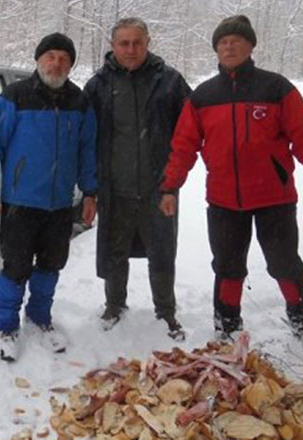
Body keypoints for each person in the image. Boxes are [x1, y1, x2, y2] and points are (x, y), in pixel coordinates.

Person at [158, 15, 303, 340]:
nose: (229, 46)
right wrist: (170, 187)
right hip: (223, 200)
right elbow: (184, 146)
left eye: (236, 41)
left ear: (250, 46)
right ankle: (227, 328)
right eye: (223, 42)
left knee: (284, 263)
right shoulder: (203, 96)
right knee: (228, 267)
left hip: (274, 197)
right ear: (216, 50)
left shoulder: (276, 88)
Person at [0, 32, 98, 362]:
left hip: (60, 204)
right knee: (16, 267)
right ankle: (6, 326)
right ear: (38, 60)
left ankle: (39, 316)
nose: (56, 63)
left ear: (71, 65)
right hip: (21, 203)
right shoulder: (15, 96)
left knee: (51, 264)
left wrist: (90, 193)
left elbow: (88, 150)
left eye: (64, 58)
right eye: (50, 56)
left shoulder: (80, 102)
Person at [83, 18, 191, 339]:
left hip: (160, 189)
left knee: (162, 252)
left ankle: (166, 311)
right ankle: (114, 305)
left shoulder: (169, 81)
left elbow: (191, 130)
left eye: (137, 43)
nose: (131, 50)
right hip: (115, 188)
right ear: (113, 45)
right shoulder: (98, 85)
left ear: (147, 43)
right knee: (115, 251)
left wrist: (174, 179)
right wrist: (90, 188)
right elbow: (85, 137)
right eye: (124, 43)